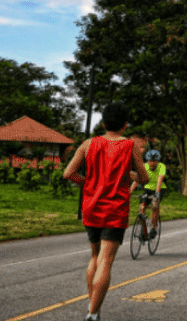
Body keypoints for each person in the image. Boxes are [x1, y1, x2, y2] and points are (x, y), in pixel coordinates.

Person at [64, 102, 149, 321]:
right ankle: (93, 314)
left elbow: (69, 173)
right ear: (125, 125)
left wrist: (88, 184)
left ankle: (92, 306)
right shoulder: (129, 146)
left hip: (91, 208)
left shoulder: (88, 144)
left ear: (103, 123)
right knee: (106, 260)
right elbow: (145, 178)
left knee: (94, 256)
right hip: (115, 210)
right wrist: (131, 176)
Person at [130, 149, 166, 239]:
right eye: (150, 161)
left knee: (154, 206)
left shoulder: (161, 166)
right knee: (141, 210)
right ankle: (144, 230)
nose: (152, 163)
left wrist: (157, 193)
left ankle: (153, 228)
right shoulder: (144, 167)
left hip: (159, 189)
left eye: (154, 161)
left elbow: (159, 179)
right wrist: (129, 192)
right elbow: (137, 180)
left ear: (157, 161)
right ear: (147, 161)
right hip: (147, 189)